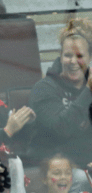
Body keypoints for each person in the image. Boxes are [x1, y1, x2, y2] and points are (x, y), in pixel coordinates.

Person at [28, 17, 92, 168]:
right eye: (68, 55)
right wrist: (88, 92)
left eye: (80, 56)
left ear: (89, 58)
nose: (73, 61)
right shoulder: (44, 89)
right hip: (55, 169)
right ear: (61, 56)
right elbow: (60, 129)